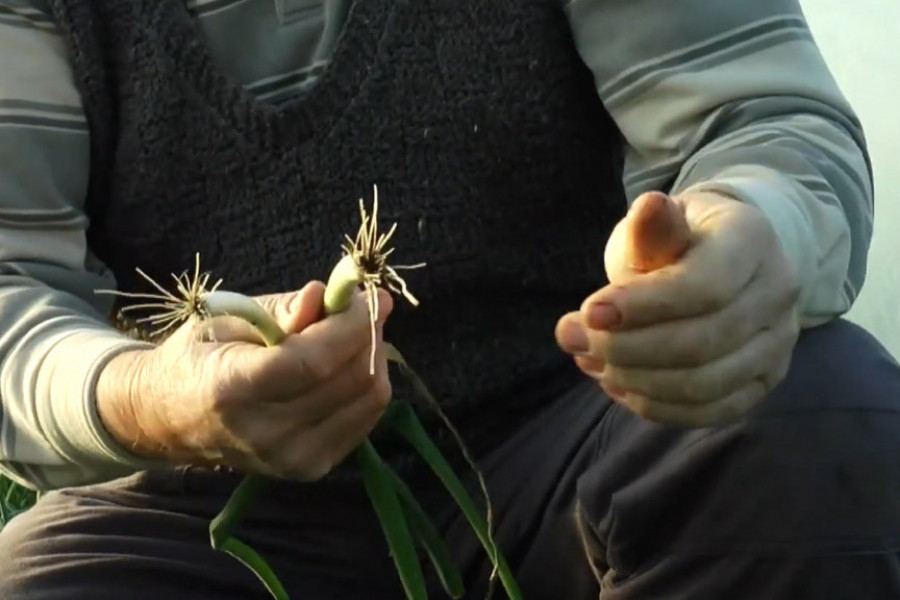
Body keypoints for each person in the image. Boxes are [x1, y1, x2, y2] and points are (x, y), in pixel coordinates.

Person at [0, 0, 898, 598]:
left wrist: (744, 248)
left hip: (580, 434)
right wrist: (156, 398)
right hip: (199, 509)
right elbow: (13, 297)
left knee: (816, 415)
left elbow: (761, 125)